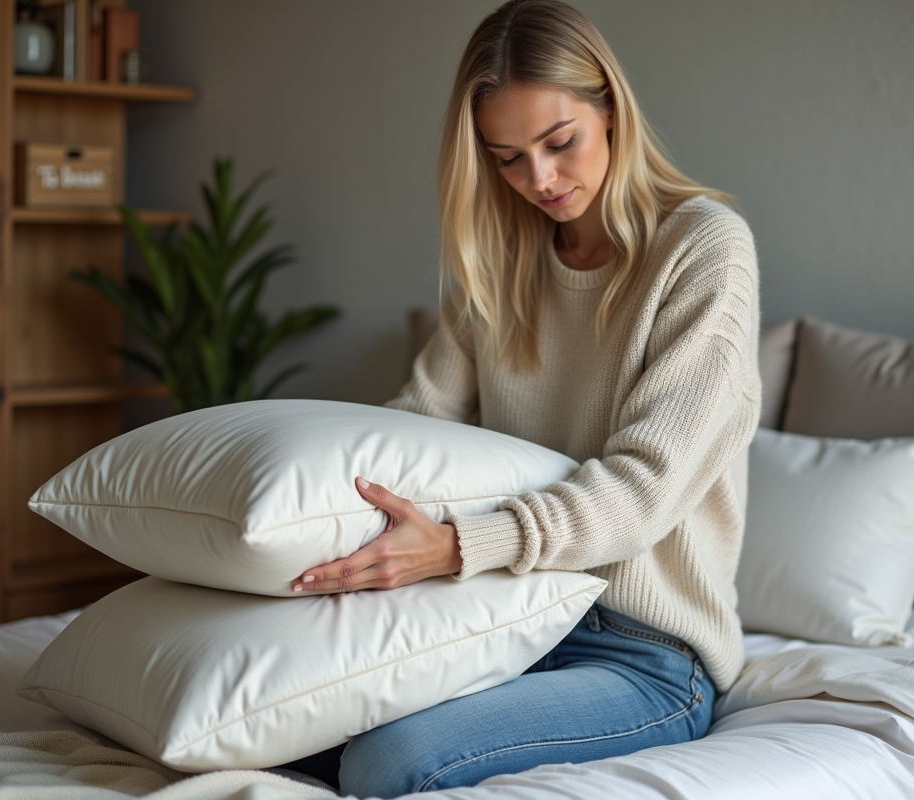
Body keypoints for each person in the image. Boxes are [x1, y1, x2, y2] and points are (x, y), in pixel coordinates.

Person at [289, 0, 760, 795]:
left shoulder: (704, 248)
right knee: (279, 736)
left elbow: (643, 490)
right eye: (507, 158)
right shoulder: (498, 266)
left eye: (558, 143)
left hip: (645, 655)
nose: (538, 180)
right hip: (499, 619)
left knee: (385, 762)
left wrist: (458, 546)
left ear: (610, 109)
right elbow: (414, 427)